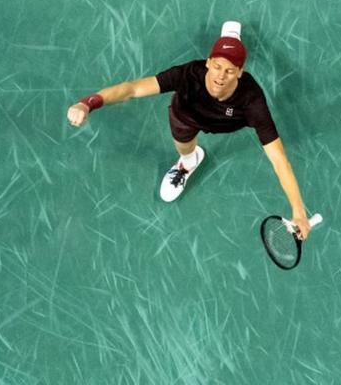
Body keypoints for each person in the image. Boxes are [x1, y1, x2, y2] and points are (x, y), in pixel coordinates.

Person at [66, 22, 312, 239]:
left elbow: (279, 160)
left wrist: (299, 212)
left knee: (232, 64)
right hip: (186, 118)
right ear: (208, 63)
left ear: (240, 71)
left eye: (229, 70)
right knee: (184, 147)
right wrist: (88, 103)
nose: (221, 76)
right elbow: (132, 89)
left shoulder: (252, 100)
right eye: (217, 66)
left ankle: (231, 40)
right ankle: (188, 161)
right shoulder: (187, 75)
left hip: (228, 122)